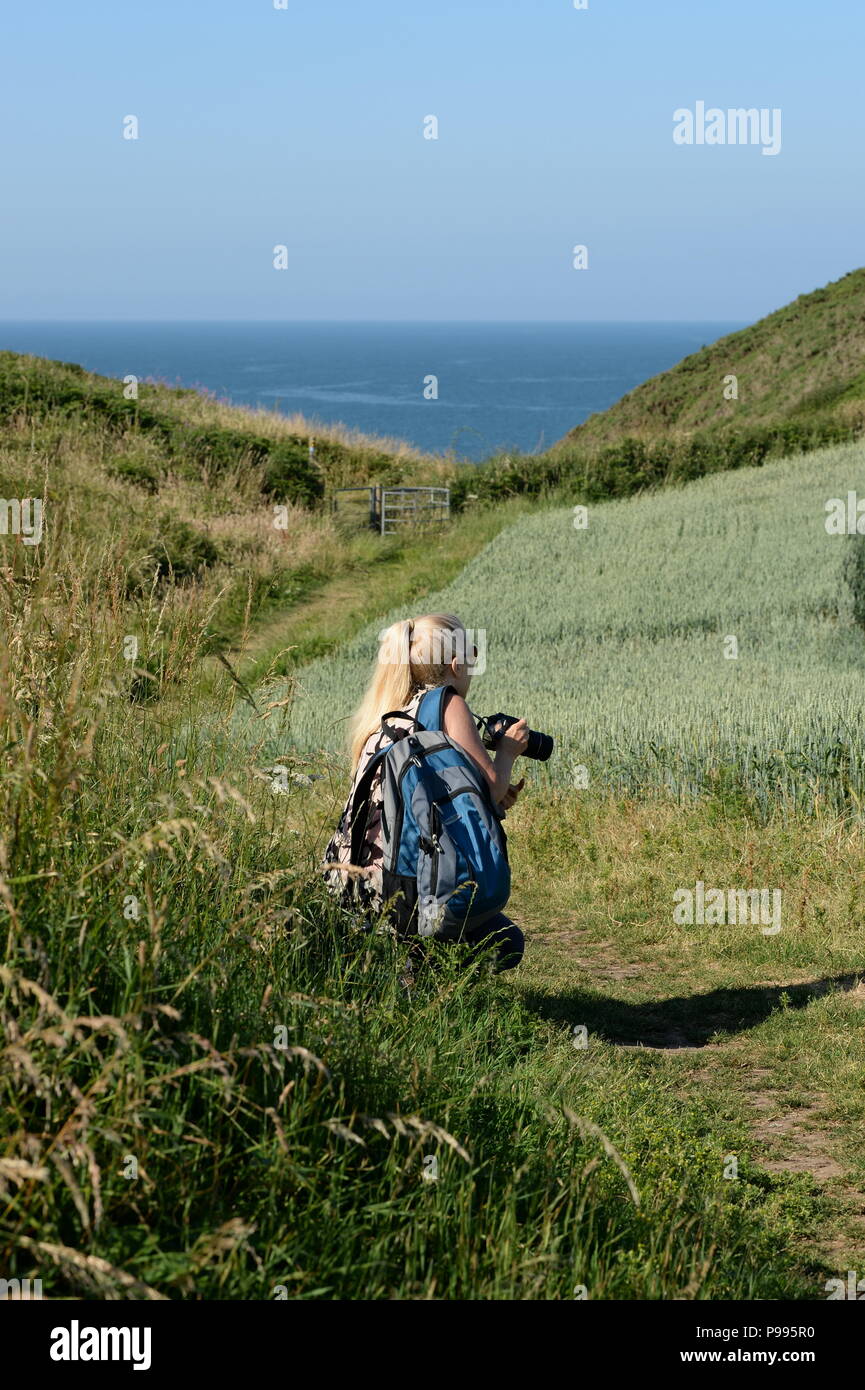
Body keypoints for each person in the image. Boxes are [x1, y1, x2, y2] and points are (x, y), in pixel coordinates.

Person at [323, 612, 528, 975]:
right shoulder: (447, 704)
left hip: (354, 889)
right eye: (472, 656)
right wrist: (508, 752)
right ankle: (424, 969)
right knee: (507, 942)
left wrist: (486, 796)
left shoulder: (386, 713)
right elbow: (494, 786)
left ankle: (400, 963)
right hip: (408, 892)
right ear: (455, 664)